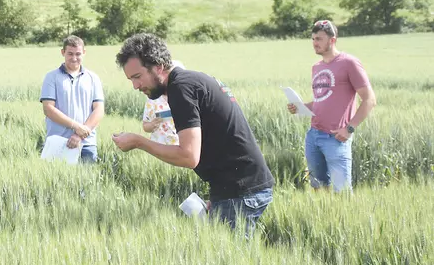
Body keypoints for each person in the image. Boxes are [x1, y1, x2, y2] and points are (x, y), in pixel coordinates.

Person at [112, 33, 275, 232]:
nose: (135, 86)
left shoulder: (181, 88)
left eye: (137, 77)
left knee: (225, 260)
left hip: (240, 192)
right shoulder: (191, 81)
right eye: (131, 79)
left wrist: (139, 142)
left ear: (158, 66)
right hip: (236, 189)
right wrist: (219, 198)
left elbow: (188, 156)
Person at [288, 20, 375, 192]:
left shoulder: (349, 63)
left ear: (332, 40)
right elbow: (322, 100)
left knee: (341, 191)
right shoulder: (316, 67)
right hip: (313, 136)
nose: (314, 43)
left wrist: (349, 129)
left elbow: (370, 99)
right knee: (318, 187)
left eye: (319, 39)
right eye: (313, 39)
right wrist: (301, 107)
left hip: (336, 138)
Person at [40, 35, 104, 162]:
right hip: (58, 143)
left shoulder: (93, 78)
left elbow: (99, 110)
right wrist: (76, 127)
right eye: (70, 54)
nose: (74, 58)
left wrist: (79, 135)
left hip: (87, 144)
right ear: (63, 52)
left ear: (84, 53)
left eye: (78, 54)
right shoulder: (51, 77)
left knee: (89, 181)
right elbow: (48, 109)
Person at [142, 60, 184, 145]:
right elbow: (145, 125)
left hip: (179, 144)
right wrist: (152, 125)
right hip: (159, 146)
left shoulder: (184, 98)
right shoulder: (153, 100)